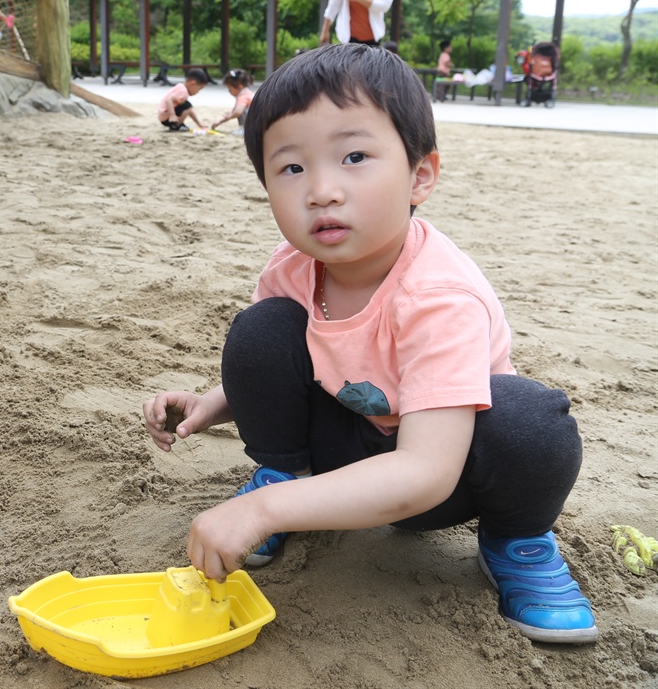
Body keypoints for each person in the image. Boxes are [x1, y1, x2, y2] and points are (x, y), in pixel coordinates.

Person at [142, 44, 598, 645]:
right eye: (291, 167)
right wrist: (213, 402)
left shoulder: (438, 293)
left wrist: (259, 514)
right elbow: (305, 359)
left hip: (446, 475)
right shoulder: (292, 268)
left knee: (530, 422)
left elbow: (426, 473)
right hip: (345, 447)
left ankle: (518, 543)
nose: (322, 190)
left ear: (420, 175)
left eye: (355, 156)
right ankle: (285, 477)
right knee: (261, 331)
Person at [209, 69, 254, 135]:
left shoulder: (243, 97)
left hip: (252, 125)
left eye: (230, 89)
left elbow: (238, 112)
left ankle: (245, 129)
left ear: (239, 87)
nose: (229, 91)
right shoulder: (248, 93)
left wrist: (222, 120)